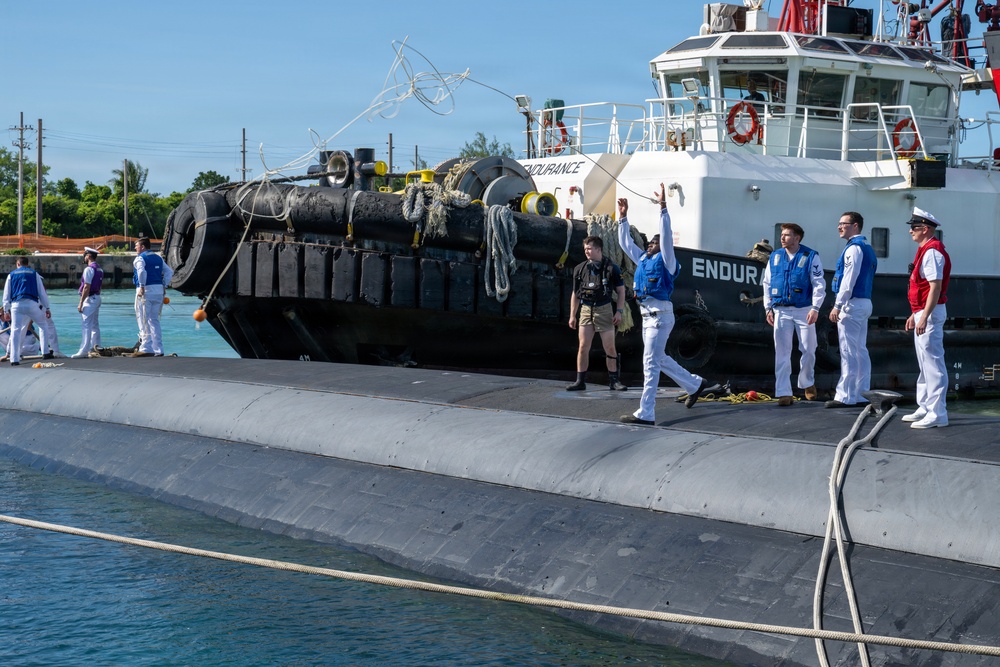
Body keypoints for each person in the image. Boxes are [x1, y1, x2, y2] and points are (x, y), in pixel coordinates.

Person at [616, 184, 709, 425]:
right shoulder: (644, 260)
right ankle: (695, 384)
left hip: (660, 317)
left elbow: (666, 237)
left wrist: (663, 207)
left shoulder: (667, 262)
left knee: (650, 362)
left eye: (654, 243)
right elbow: (626, 244)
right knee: (659, 359)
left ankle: (646, 412)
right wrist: (623, 218)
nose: (650, 245)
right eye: (649, 243)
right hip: (647, 317)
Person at [762, 223, 825, 406]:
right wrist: (768, 308)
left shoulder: (811, 256)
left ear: (797, 238)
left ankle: (807, 382)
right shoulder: (774, 257)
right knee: (782, 352)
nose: (782, 238)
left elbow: (819, 284)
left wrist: (815, 308)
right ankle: (783, 392)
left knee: (808, 348)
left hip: (803, 309)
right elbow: (767, 283)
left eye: (787, 235)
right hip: (781, 310)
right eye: (782, 234)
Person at [902, 208, 951, 428]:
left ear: (926, 229)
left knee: (933, 363)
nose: (911, 231)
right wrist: (915, 314)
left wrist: (923, 317)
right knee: (924, 363)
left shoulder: (932, 252)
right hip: (922, 311)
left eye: (914, 228)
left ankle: (938, 412)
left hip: (929, 312)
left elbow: (935, 288)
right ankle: (925, 406)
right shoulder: (925, 250)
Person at [826, 211, 877, 408]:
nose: (839, 227)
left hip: (852, 303)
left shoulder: (853, 249)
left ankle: (845, 396)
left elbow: (848, 280)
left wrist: (838, 305)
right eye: (838, 223)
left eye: (843, 223)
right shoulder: (867, 247)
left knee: (848, 351)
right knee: (860, 350)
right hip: (864, 301)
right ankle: (862, 393)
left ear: (855, 226)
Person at [567, 236, 628, 391]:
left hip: (604, 308)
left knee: (609, 347)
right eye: (585, 248)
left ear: (599, 249)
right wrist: (572, 315)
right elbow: (575, 293)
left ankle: (614, 380)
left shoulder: (611, 268)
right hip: (586, 309)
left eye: (589, 248)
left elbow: (621, 291)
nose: (586, 251)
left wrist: (619, 311)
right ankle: (580, 380)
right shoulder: (579, 269)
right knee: (583, 346)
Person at [1, 256, 53, 366]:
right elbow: (41, 293)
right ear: (27, 264)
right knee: (43, 325)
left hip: (16, 305)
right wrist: (47, 307)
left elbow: (6, 294)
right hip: (31, 304)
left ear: (18, 264)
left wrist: (6, 310)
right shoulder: (34, 274)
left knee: (15, 330)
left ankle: (14, 359)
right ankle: (45, 352)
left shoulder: (11, 275)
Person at [131, 237, 174, 357]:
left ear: (143, 247)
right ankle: (158, 349)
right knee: (154, 320)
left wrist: (142, 286)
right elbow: (169, 272)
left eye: (137, 246)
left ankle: (146, 347)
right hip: (159, 291)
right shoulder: (158, 258)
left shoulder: (140, 258)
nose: (135, 248)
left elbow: (141, 272)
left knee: (143, 319)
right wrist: (164, 285)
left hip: (146, 291)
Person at [72, 246, 104, 359]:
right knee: (95, 324)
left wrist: (81, 303)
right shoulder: (99, 269)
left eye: (85, 255)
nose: (84, 257)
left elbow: (86, 287)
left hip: (90, 299)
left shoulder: (89, 269)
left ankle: (84, 350)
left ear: (89, 256)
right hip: (97, 297)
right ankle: (96, 346)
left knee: (86, 325)